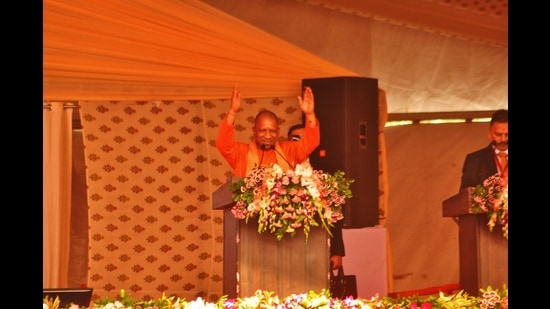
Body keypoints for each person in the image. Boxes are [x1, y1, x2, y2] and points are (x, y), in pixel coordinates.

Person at [216, 85, 320, 177]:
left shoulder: (289, 150)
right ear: (254, 131)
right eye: (262, 130)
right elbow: (223, 144)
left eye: (272, 131)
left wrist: (309, 114)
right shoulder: (242, 153)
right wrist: (232, 112)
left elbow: (311, 142)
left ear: (278, 132)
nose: (268, 136)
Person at [287, 123, 345, 270]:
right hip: (287, 243)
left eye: (304, 138)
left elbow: (335, 215)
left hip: (319, 240)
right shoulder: (280, 169)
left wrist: (337, 251)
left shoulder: (324, 170)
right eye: (295, 138)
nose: (300, 142)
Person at [459, 109, 508, 191]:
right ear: (490, 132)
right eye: (498, 134)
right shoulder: (475, 160)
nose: (503, 139)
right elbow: (466, 194)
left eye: (507, 134)